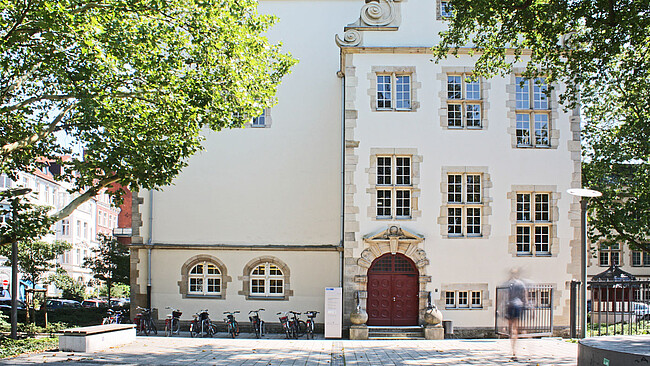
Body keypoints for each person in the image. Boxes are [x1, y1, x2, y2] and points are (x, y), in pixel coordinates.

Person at [505, 269, 527, 360]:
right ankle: (515, 350)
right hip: (518, 305)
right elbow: (524, 296)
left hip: (510, 305)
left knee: (511, 328)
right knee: (516, 328)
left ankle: (513, 348)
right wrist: (525, 306)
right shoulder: (521, 284)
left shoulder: (509, 283)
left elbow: (504, 296)